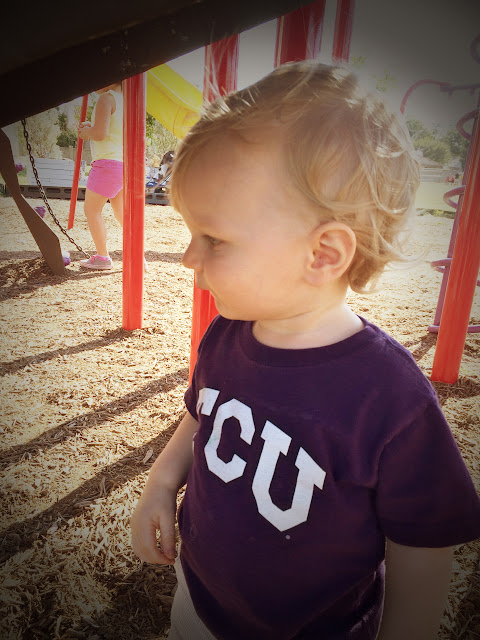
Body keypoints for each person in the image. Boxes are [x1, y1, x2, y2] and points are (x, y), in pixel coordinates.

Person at [131, 62, 480, 640]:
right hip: (199, 600)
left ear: (322, 254)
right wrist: (162, 481)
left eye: (213, 238)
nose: (189, 258)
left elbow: (421, 550)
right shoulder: (227, 334)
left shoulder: (389, 397)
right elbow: (201, 413)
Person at [78, 83, 123, 270]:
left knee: (92, 210)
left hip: (107, 165)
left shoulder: (106, 98)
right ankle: (137, 255)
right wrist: (93, 128)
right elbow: (112, 132)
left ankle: (103, 257)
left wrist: (86, 132)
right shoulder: (127, 101)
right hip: (124, 165)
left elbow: (100, 134)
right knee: (123, 214)